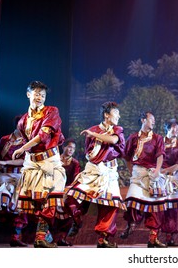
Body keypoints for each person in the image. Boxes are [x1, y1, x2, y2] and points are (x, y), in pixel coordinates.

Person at [11, 80, 66, 248]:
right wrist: (24, 150)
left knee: (51, 196)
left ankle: (41, 236)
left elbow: (42, 136)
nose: (40, 98)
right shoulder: (22, 121)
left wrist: (22, 148)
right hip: (32, 163)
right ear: (28, 95)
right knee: (34, 201)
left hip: (50, 162)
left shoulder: (51, 112)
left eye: (43, 95)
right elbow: (25, 138)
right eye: (36, 94)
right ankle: (42, 234)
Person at [64, 101, 126, 248]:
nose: (119, 116)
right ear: (106, 115)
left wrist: (94, 134)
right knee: (72, 197)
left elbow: (113, 140)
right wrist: (93, 134)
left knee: (110, 206)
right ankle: (77, 219)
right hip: (93, 170)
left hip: (109, 173)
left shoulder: (117, 130)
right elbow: (88, 152)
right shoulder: (92, 130)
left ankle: (102, 239)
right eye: (116, 113)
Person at [122, 111, 167, 248]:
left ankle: (153, 238)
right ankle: (131, 224)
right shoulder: (133, 138)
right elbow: (127, 157)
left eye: (154, 120)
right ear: (143, 120)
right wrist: (132, 172)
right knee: (131, 201)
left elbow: (160, 155)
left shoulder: (157, 138)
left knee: (155, 207)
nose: (153, 121)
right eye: (151, 119)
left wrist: (158, 170)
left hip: (152, 174)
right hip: (137, 173)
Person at [0, 115, 26, 247]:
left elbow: (24, 160)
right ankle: (1, 219)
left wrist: (6, 161)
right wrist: (0, 163)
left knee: (20, 206)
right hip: (4, 175)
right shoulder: (4, 140)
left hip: (19, 177)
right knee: (3, 201)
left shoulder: (26, 142)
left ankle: (16, 236)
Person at [160, 119, 178, 246]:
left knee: (172, 209)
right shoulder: (159, 143)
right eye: (173, 128)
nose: (176, 131)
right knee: (158, 207)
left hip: (172, 179)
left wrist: (165, 171)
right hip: (158, 178)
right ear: (167, 129)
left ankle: (169, 237)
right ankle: (154, 236)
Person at [52, 138, 81, 246]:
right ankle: (49, 237)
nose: (71, 150)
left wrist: (67, 191)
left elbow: (75, 179)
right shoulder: (55, 160)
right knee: (50, 212)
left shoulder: (75, 163)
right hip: (54, 189)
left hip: (67, 191)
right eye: (69, 147)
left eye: (73, 148)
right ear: (63, 147)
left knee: (70, 209)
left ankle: (62, 237)